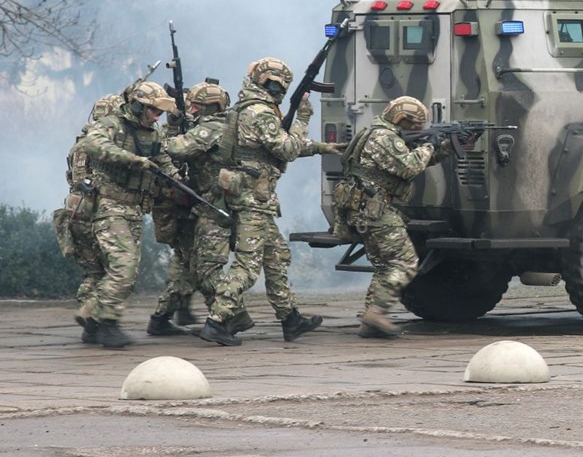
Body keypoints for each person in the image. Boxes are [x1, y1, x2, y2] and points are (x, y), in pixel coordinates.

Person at [198, 57, 341, 346]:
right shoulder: (261, 112)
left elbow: (271, 149)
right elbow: (287, 148)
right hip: (254, 198)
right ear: (274, 83)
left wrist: (322, 147)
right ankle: (217, 320)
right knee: (248, 266)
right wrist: (302, 117)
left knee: (276, 257)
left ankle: (290, 318)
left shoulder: (248, 108)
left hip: (252, 196)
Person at [333, 96, 456, 338]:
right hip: (376, 210)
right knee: (405, 262)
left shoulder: (376, 132)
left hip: (366, 209)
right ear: (402, 119)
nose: (416, 130)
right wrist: (430, 144)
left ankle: (371, 322)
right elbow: (409, 166)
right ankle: (377, 312)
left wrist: (448, 146)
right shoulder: (385, 138)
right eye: (414, 125)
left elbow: (416, 160)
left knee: (383, 266)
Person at [75, 82, 181, 348]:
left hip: (134, 209)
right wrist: (131, 159)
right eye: (154, 111)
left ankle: (93, 322)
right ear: (138, 106)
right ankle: (108, 323)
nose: (157, 117)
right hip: (110, 206)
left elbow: (164, 159)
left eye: (160, 113)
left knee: (127, 273)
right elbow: (93, 143)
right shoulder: (113, 124)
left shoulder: (153, 133)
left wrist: (178, 182)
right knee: (124, 267)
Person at [148, 81, 231, 336]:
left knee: (188, 263)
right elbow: (172, 149)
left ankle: (163, 317)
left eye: (196, 105)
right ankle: (226, 315)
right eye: (190, 105)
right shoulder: (194, 130)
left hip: (193, 202)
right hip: (184, 203)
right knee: (194, 263)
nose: (192, 110)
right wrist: (176, 123)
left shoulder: (204, 128)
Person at [53, 93, 123, 344]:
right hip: (94, 213)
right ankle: (94, 316)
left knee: (93, 271)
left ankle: (91, 325)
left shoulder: (80, 144)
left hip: (75, 212)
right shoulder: (99, 145)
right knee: (114, 269)